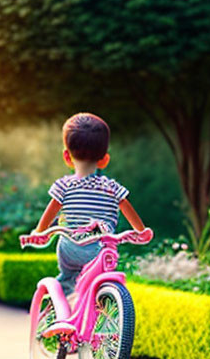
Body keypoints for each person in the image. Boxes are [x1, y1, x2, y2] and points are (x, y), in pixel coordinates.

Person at [34, 112, 147, 296]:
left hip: (70, 247)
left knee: (68, 275)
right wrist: (141, 232)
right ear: (104, 160)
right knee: (103, 277)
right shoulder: (112, 188)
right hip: (100, 249)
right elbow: (126, 207)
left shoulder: (64, 186)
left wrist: (39, 233)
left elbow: (51, 211)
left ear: (66, 157)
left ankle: (62, 308)